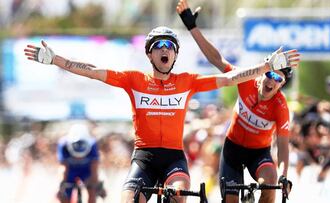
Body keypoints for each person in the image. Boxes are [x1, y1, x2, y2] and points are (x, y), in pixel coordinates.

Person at [24, 25, 298, 203]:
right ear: (150, 55)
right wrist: (56, 60)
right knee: (129, 199)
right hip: (144, 157)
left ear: (175, 56)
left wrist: (265, 67)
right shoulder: (133, 79)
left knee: (179, 196)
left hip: (173, 159)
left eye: (170, 46)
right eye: (159, 46)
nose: (165, 50)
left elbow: (231, 78)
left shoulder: (187, 81)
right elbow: (92, 71)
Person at [176, 1, 299, 202]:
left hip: (259, 154)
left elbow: (284, 146)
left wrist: (284, 174)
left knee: (271, 180)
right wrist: (193, 28)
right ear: (262, 72)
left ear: (281, 86)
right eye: (269, 74)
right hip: (232, 149)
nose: (271, 80)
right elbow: (216, 59)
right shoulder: (246, 80)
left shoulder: (280, 106)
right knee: (231, 200)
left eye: (278, 79)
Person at [57, 123, 106, 203]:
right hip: (70, 171)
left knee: (92, 191)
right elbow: (63, 167)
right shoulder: (63, 144)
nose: (79, 158)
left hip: (86, 171)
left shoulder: (93, 144)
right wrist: (61, 184)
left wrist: (96, 184)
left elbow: (94, 168)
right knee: (63, 194)